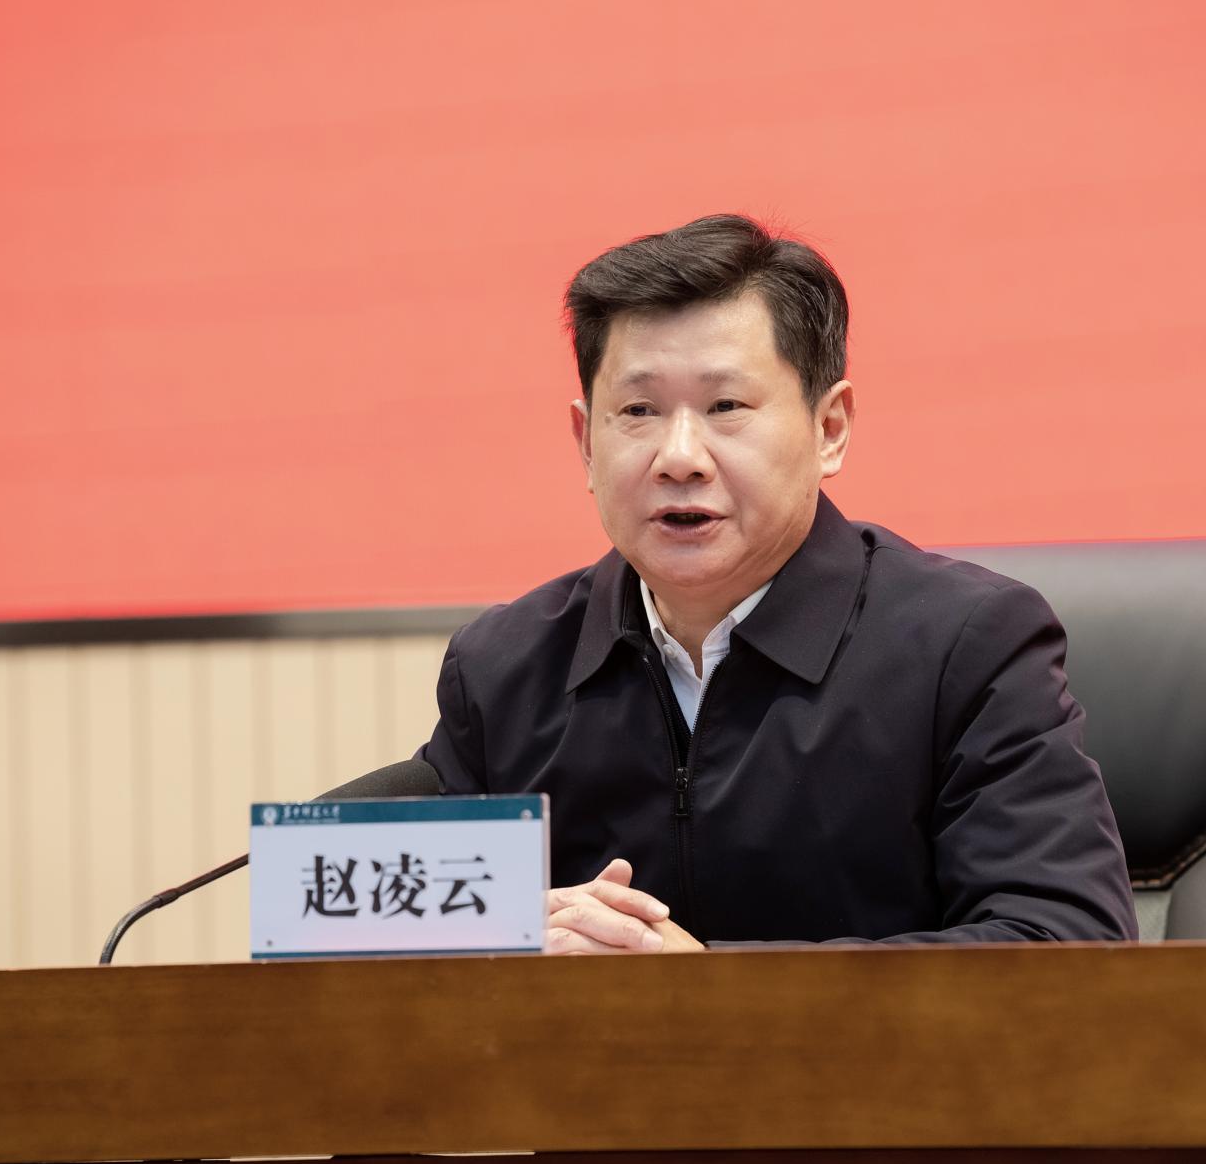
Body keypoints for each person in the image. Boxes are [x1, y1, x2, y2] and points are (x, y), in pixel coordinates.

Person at [416, 214, 1136, 953]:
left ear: (830, 429)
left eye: (726, 407)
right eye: (638, 411)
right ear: (586, 444)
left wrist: (698, 987)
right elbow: (409, 938)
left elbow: (1066, 944)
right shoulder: (502, 670)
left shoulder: (965, 648)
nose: (679, 457)